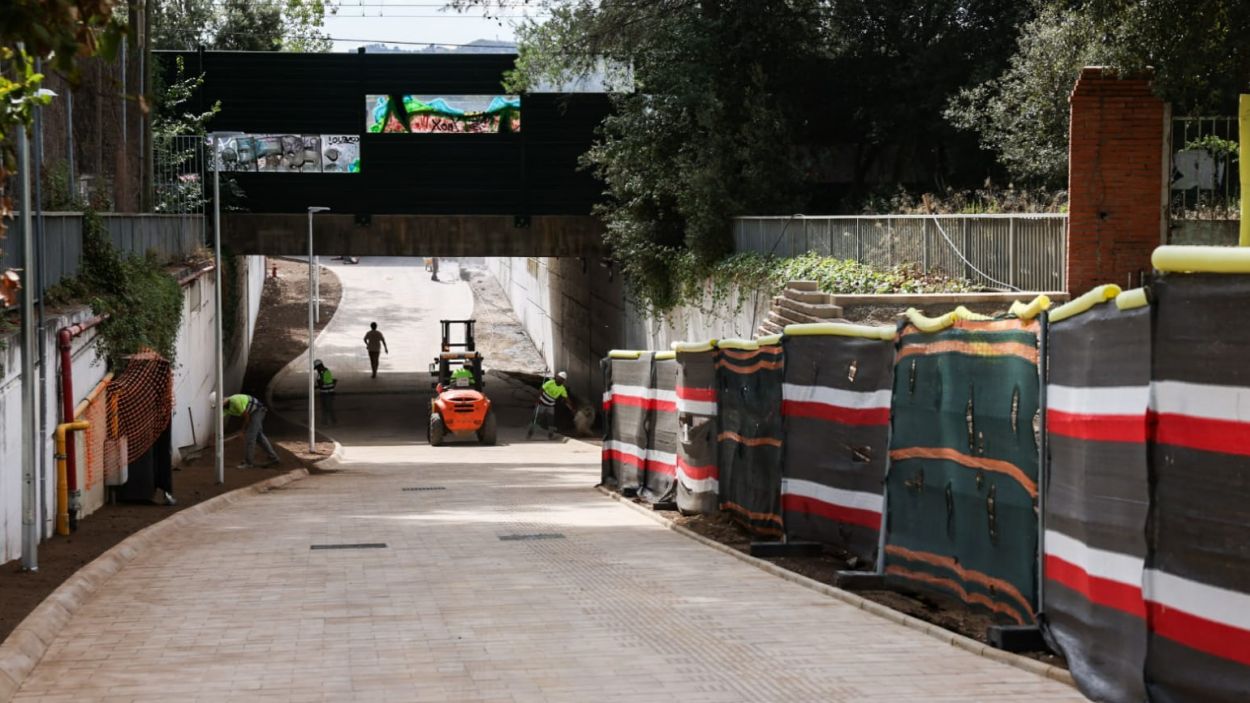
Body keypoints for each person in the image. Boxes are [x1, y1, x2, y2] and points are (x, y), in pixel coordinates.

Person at [210, 391, 279, 468]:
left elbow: (247, 417)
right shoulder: (225, 408)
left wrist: (242, 431)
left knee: (250, 437)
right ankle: (273, 457)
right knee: (259, 436)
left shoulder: (235, 401)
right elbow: (220, 421)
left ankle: (248, 463)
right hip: (252, 413)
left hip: (257, 411)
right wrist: (215, 434)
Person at [528, 371, 574, 440]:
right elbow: (541, 390)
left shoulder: (562, 388)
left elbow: (566, 398)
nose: (559, 380)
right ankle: (530, 432)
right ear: (556, 377)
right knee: (536, 418)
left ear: (563, 381)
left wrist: (571, 407)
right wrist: (537, 400)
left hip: (550, 406)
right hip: (542, 403)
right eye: (559, 378)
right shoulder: (550, 382)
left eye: (562, 379)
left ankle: (550, 434)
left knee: (551, 420)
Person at [314, 359, 337, 425]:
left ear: (320, 366)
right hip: (324, 392)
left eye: (317, 368)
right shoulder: (322, 372)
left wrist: (316, 386)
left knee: (328, 407)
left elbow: (322, 384)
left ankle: (332, 420)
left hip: (328, 393)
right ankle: (326, 421)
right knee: (325, 408)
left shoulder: (324, 372)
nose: (316, 370)